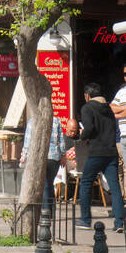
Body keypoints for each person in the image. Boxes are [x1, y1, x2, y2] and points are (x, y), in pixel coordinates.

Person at [76, 82, 124, 232]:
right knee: (115, 187)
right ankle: (119, 223)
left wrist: (81, 136)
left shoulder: (87, 108)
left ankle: (85, 220)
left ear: (87, 95)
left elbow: (89, 128)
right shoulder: (108, 109)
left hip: (96, 152)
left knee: (86, 183)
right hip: (111, 153)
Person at [19, 112, 66, 207]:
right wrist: (63, 155)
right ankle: (51, 211)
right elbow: (61, 140)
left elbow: (27, 141)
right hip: (54, 158)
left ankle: (46, 213)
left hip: (39, 157)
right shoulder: (56, 121)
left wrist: (24, 155)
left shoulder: (32, 121)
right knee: (49, 183)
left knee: (45, 185)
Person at [111, 62, 126, 198]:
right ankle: (122, 198)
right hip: (121, 137)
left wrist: (119, 110)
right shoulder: (121, 92)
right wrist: (124, 110)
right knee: (120, 169)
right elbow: (111, 108)